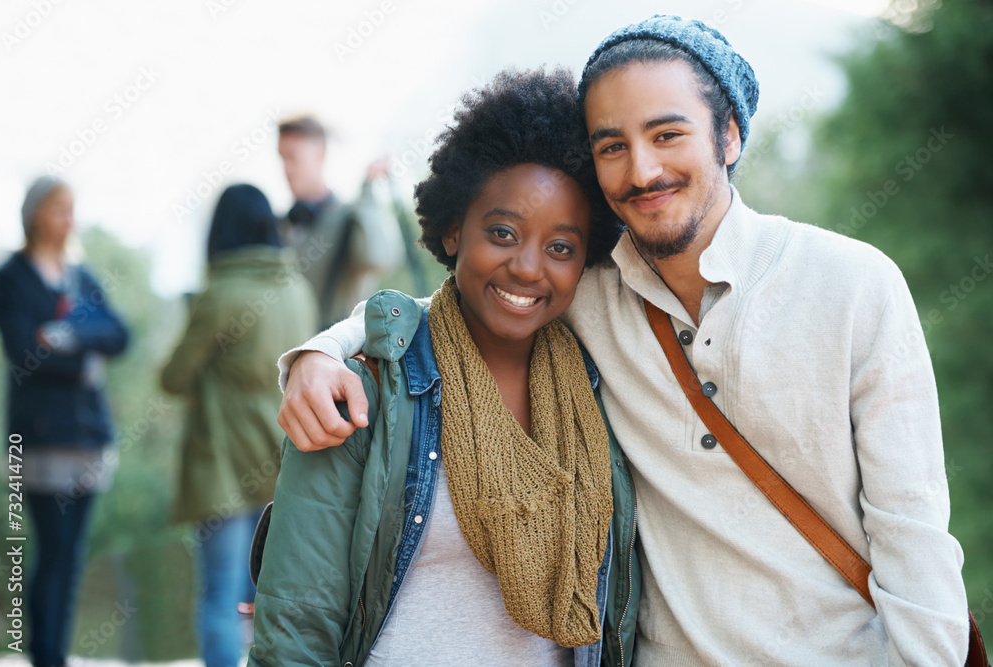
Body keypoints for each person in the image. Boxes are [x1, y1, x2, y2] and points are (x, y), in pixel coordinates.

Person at [273, 15, 972, 665]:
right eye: (612, 146)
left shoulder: (854, 286)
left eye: (667, 134)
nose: (641, 170)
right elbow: (463, 300)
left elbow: (913, 541)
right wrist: (319, 352)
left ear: (728, 134)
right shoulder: (592, 295)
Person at [249, 68, 638, 667]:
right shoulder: (363, 389)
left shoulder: (600, 386)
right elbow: (297, 624)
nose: (529, 268)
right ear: (454, 229)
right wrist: (320, 353)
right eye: (503, 232)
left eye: (561, 246)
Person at [160, 183, 317, 667]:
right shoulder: (297, 288)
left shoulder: (221, 293)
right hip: (284, 464)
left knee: (220, 598)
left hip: (222, 467)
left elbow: (173, 377)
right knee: (266, 601)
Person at [0, 176, 130, 667]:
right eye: (58, 209)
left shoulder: (81, 277)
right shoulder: (10, 277)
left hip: (88, 437)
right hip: (39, 439)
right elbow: (22, 349)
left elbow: (119, 334)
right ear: (35, 215)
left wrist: (66, 335)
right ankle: (44, 653)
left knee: (72, 555)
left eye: (72, 209)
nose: (68, 219)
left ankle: (55, 653)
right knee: (52, 548)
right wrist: (83, 358)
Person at [277, 115, 405, 329]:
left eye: (292, 157)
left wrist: (368, 192)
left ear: (321, 153)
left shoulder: (351, 217)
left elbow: (380, 257)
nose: (286, 169)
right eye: (281, 158)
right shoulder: (280, 224)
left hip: (335, 355)